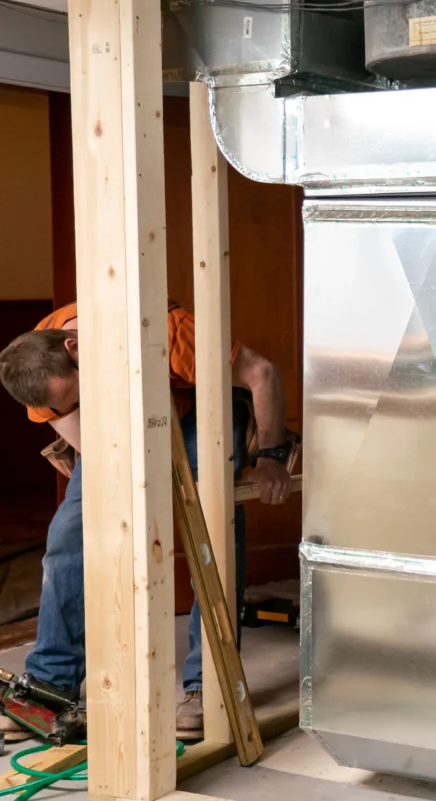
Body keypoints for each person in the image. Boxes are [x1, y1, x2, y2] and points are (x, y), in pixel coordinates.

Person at [0, 302, 292, 743]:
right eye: (68, 405)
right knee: (68, 535)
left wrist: (271, 458)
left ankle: (207, 685)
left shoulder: (170, 332)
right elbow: (97, 453)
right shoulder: (39, 376)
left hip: (198, 408)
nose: (73, 404)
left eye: (77, 394)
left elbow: (262, 374)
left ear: (76, 349)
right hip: (115, 424)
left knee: (209, 528)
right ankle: (51, 686)